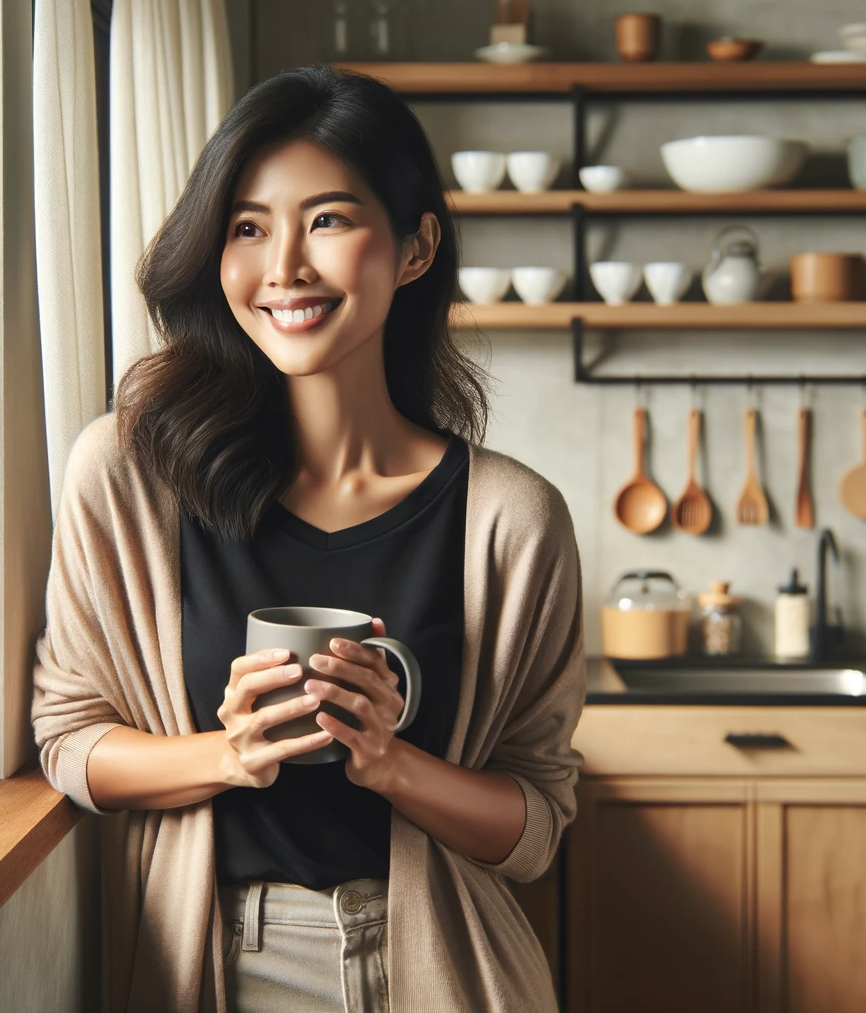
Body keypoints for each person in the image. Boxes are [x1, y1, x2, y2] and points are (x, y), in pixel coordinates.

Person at [31, 65, 585, 1013]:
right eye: (248, 227)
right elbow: (70, 742)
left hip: (447, 968)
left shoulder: (512, 519)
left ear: (414, 250)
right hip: (223, 963)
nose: (283, 266)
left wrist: (393, 764)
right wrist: (227, 754)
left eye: (328, 220)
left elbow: (535, 829)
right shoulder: (128, 477)